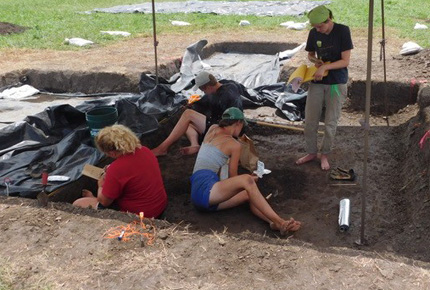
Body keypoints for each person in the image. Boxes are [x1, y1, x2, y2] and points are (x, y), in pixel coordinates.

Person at [190, 107, 301, 235]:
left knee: (248, 193)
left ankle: (272, 223)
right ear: (238, 123)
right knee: (247, 181)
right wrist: (249, 180)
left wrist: (248, 183)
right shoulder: (234, 145)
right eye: (242, 126)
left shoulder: (212, 129)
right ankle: (281, 222)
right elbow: (233, 177)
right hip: (206, 191)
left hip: (200, 196)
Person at [295, 5, 353, 170]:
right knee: (310, 120)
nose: (318, 30)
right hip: (318, 81)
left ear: (329, 20)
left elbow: (345, 61)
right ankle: (312, 152)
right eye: (315, 27)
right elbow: (311, 54)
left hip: (336, 83)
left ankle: (325, 154)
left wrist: (325, 68)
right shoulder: (314, 33)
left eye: (320, 26)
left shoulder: (342, 31)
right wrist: (316, 62)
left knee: (330, 122)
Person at [73, 125, 167, 218]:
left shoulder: (116, 169)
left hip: (141, 215)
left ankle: (94, 200)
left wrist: (100, 185)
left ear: (112, 153)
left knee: (78, 203)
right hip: (159, 205)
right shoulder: (145, 150)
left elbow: (104, 202)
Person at [151, 71, 244, 156]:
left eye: (203, 90)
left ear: (208, 87)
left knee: (188, 114)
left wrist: (191, 110)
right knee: (185, 124)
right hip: (228, 126)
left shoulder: (223, 96)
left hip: (227, 131)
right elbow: (204, 102)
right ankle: (195, 145)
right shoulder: (228, 86)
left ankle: (162, 148)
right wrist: (191, 105)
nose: (204, 93)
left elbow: (226, 121)